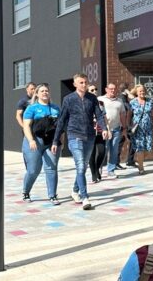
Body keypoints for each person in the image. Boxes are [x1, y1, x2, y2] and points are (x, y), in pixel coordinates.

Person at [51, 74, 107, 210]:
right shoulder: (68, 99)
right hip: (74, 135)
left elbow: (99, 115)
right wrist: (55, 140)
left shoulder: (92, 98)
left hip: (89, 136)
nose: (84, 85)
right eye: (81, 82)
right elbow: (62, 120)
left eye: (86, 82)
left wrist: (104, 128)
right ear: (75, 84)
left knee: (83, 166)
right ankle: (85, 197)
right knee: (81, 165)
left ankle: (75, 191)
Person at [21, 83, 61, 204]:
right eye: (42, 91)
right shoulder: (31, 108)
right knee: (33, 170)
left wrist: (60, 142)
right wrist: (31, 140)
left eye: (46, 91)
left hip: (52, 142)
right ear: (37, 94)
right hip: (35, 141)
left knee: (51, 168)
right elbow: (26, 126)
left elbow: (60, 128)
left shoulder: (56, 108)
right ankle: (26, 191)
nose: (45, 93)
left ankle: (52, 195)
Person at [98, 82, 129, 178]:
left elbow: (122, 115)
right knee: (103, 150)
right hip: (105, 130)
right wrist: (104, 128)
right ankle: (99, 168)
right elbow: (98, 114)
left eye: (114, 89)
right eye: (111, 89)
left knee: (114, 150)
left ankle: (111, 170)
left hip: (116, 129)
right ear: (106, 89)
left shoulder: (119, 101)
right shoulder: (100, 99)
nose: (113, 90)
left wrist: (124, 128)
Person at [128, 83, 153, 175]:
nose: (142, 92)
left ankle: (139, 160)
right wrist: (128, 126)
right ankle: (141, 168)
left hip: (148, 128)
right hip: (137, 129)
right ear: (136, 92)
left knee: (148, 148)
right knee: (140, 148)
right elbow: (129, 115)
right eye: (140, 91)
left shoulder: (149, 101)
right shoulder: (132, 102)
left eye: (143, 91)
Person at [87, 85, 107, 184]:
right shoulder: (86, 102)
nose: (95, 91)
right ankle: (94, 174)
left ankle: (97, 168)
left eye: (96, 89)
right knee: (92, 153)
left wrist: (107, 129)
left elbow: (104, 117)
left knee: (102, 152)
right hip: (90, 131)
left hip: (100, 130)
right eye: (92, 90)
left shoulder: (101, 103)